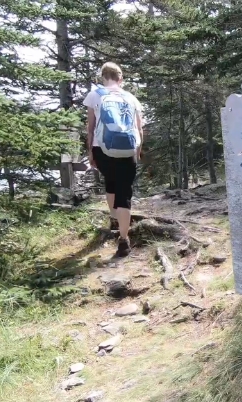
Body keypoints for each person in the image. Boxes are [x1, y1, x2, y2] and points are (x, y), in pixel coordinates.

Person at [84, 62, 144, 257]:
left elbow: (91, 128)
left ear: (103, 77)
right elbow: (139, 128)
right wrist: (138, 151)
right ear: (121, 78)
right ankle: (124, 240)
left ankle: (113, 218)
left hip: (102, 148)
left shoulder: (95, 95)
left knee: (110, 181)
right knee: (124, 193)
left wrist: (91, 152)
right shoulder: (131, 97)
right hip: (128, 149)